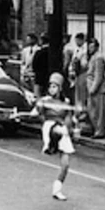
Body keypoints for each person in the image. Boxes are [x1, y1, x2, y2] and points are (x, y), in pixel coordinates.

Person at [29, 72, 75, 201]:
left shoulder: (66, 102)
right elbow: (35, 113)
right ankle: (51, 145)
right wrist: (36, 109)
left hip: (62, 129)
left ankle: (57, 190)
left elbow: (69, 117)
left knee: (65, 165)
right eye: (50, 86)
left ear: (60, 88)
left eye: (55, 86)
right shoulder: (44, 101)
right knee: (55, 129)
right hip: (49, 126)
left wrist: (70, 126)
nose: (52, 89)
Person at [85, 37, 105, 139]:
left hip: (97, 89)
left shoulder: (98, 58)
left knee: (98, 112)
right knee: (92, 110)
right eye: (89, 46)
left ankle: (100, 131)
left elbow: (98, 75)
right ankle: (100, 129)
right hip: (92, 86)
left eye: (92, 46)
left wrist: (93, 88)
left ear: (96, 47)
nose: (90, 49)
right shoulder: (93, 57)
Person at [68, 32, 89, 112]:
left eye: (78, 41)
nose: (77, 42)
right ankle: (79, 109)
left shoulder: (85, 50)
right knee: (78, 93)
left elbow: (84, 63)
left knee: (82, 93)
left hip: (82, 72)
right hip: (77, 73)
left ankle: (82, 109)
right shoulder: (77, 49)